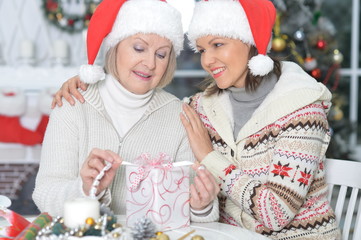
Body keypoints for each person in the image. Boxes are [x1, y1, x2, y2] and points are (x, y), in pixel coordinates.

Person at [51, 0, 341, 239]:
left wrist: (209, 156)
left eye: (217, 45)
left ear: (250, 42)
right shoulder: (201, 108)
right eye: (202, 50)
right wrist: (87, 82)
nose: (206, 60)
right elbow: (132, 92)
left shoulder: (302, 109)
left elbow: (275, 213)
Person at [33, 0, 219, 221]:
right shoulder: (73, 105)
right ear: (115, 45)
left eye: (161, 55)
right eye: (139, 48)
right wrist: (85, 190)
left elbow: (197, 215)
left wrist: (201, 207)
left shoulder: (180, 116)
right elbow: (44, 195)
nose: (150, 63)